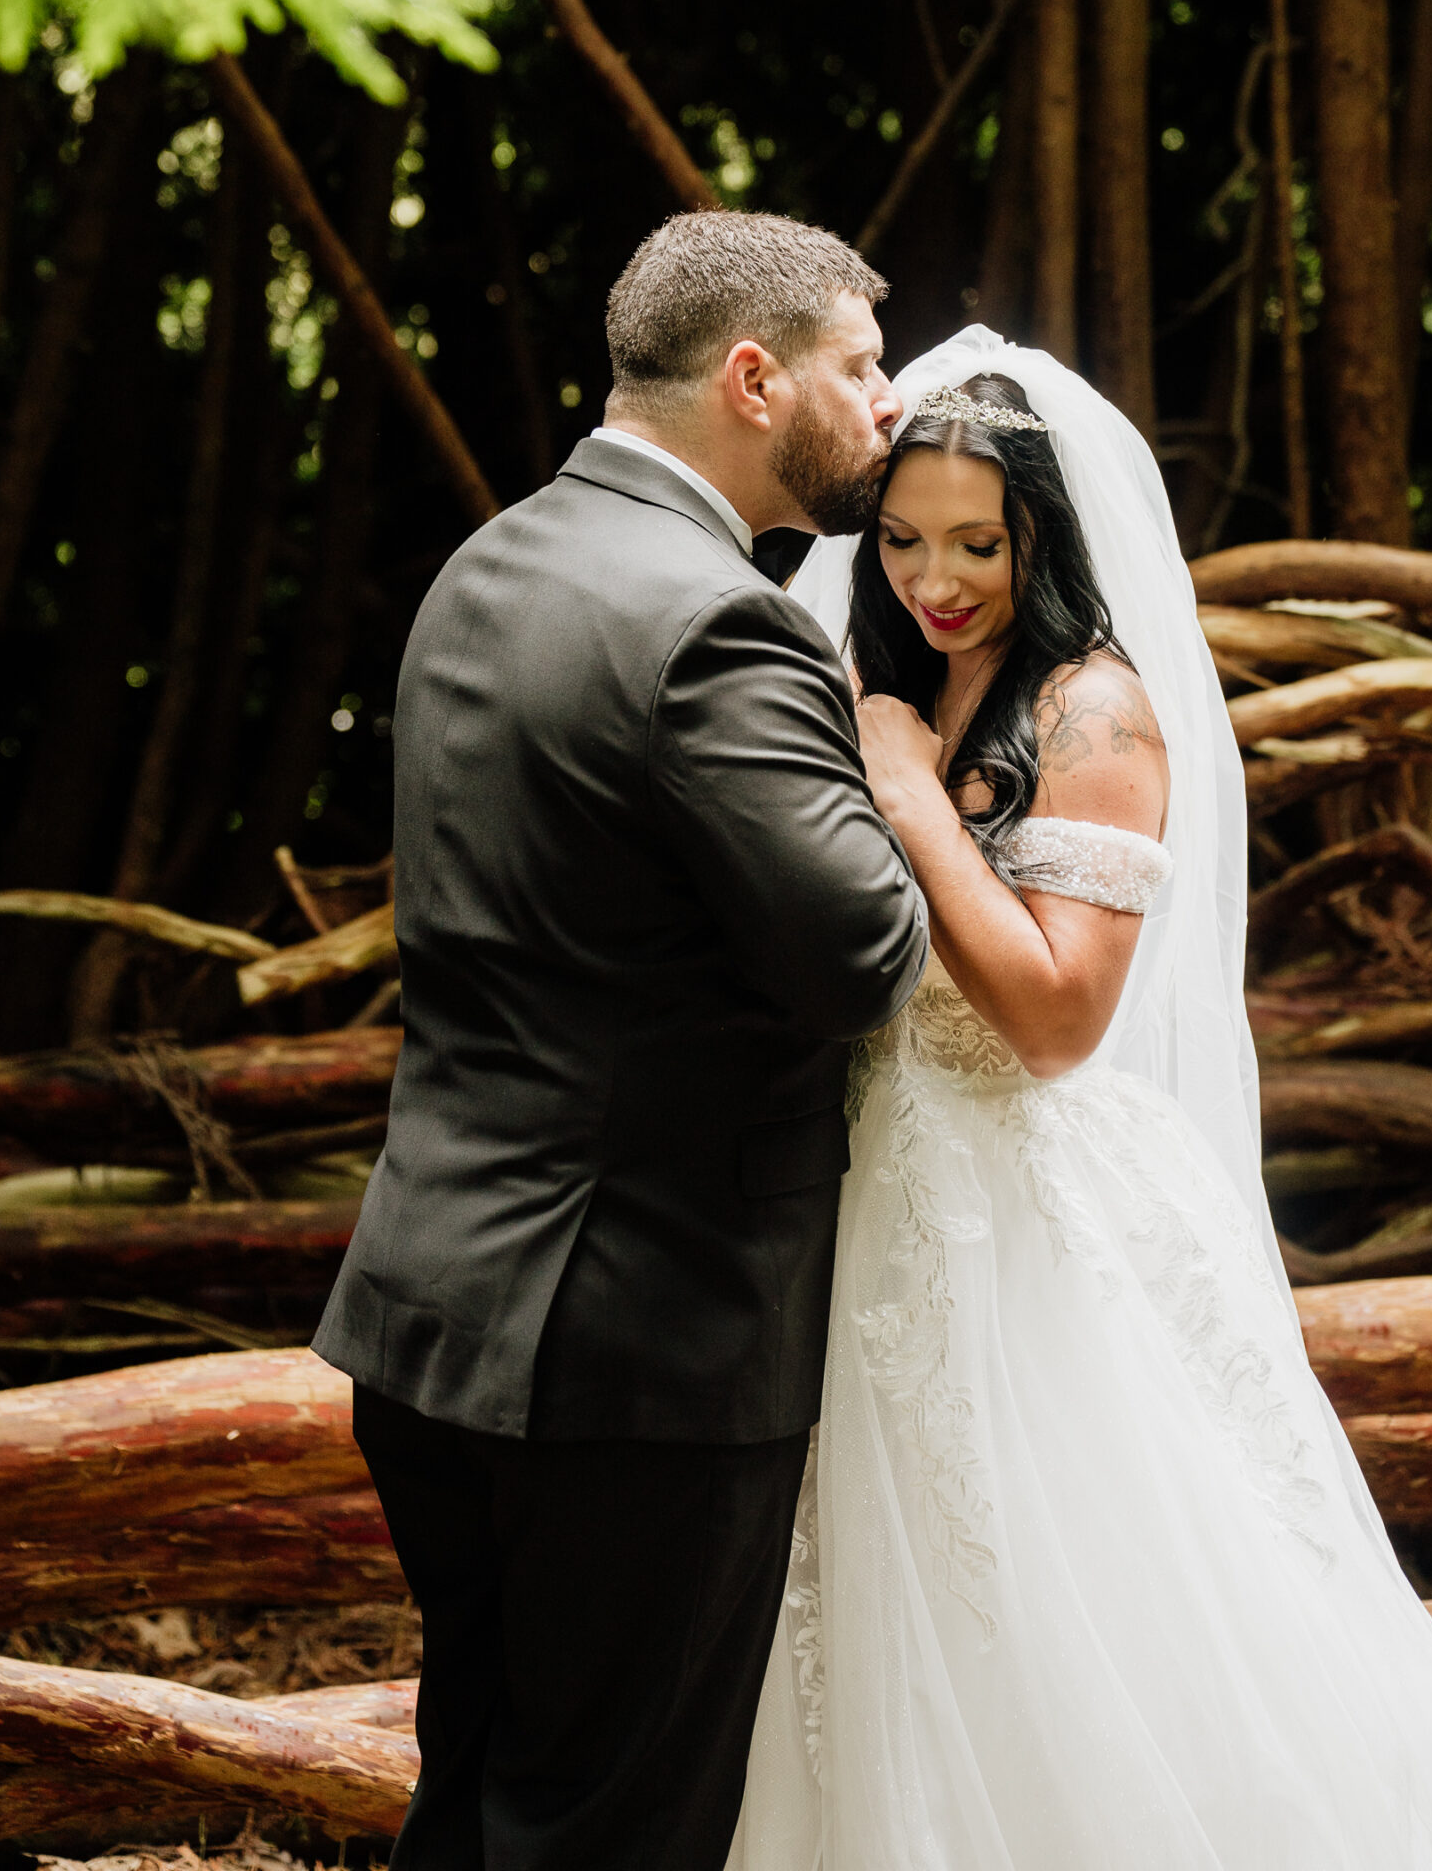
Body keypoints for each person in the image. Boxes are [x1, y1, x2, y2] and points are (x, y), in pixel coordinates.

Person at [728, 329, 1432, 1870]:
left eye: (979, 544)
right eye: (906, 541)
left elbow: (1059, 1015)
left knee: (1090, 1611)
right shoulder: (885, 686)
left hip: (1022, 1228)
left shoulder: (1092, 715)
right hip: (875, 1217)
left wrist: (913, 797)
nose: (938, 579)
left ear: (1042, 535)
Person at [314, 212, 930, 1871]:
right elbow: (862, 952)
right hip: (638, 1355)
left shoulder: (487, 566)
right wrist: (909, 772)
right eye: (860, 367)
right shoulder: (718, 625)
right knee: (614, 1833)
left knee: (483, 1788)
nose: (888, 401)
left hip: (434, 1313)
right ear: (753, 377)